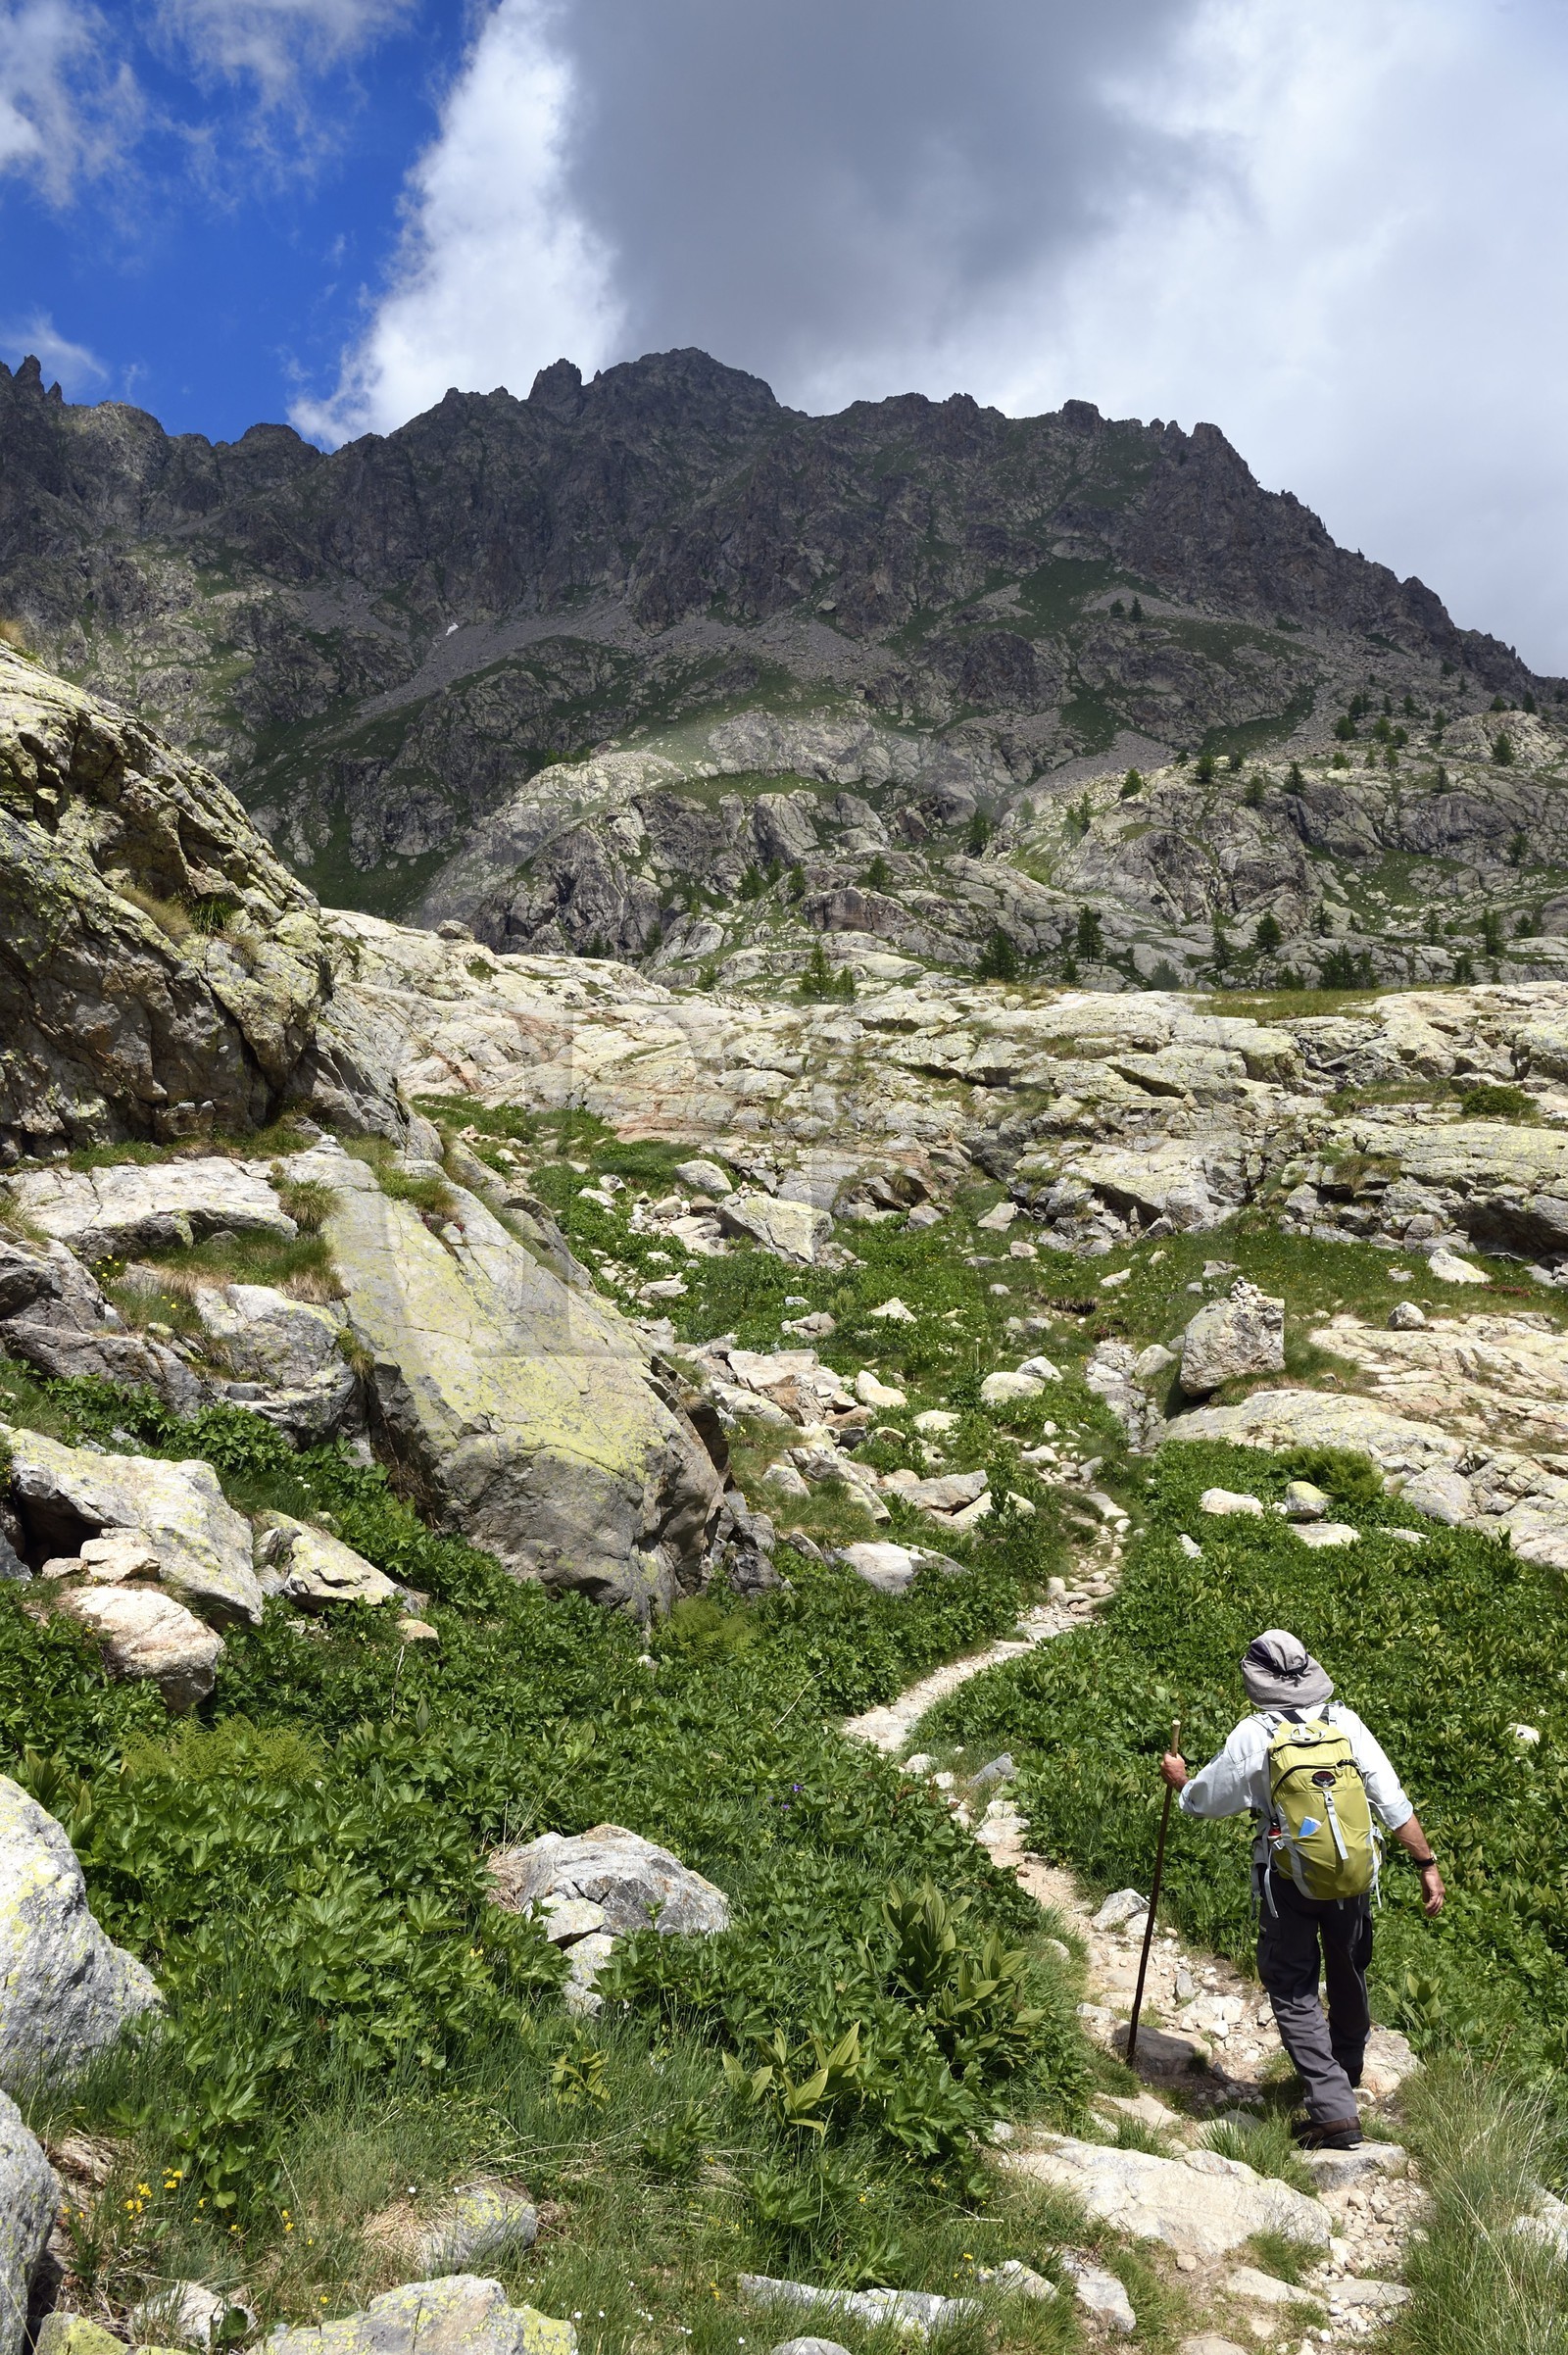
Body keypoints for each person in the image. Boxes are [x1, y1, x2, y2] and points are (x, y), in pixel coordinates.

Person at [1160, 1628, 1445, 2150]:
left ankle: (1334, 2111)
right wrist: (1426, 1862)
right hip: (1355, 1876)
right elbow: (1392, 1801)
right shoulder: (1346, 1723)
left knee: (1292, 1986)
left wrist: (1181, 1782)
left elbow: (1206, 1800)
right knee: (1349, 1967)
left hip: (1289, 1878)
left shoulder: (1254, 1734)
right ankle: (1348, 2070)